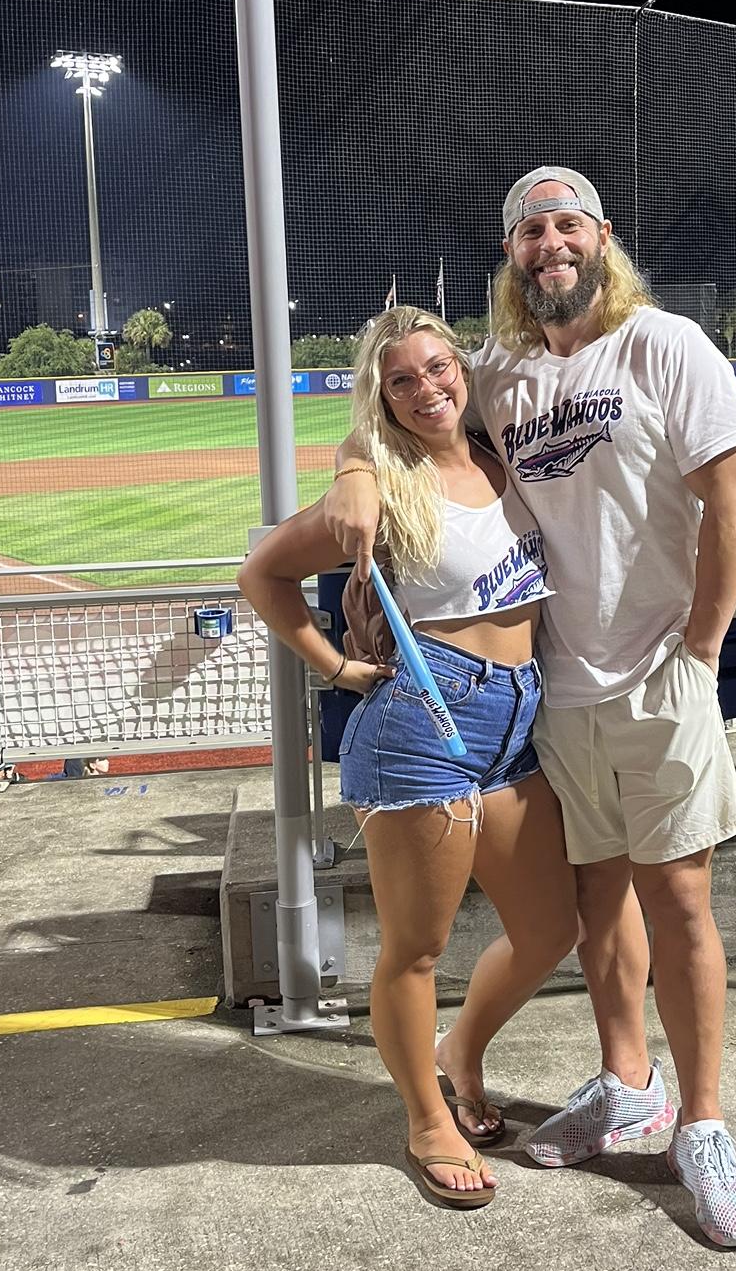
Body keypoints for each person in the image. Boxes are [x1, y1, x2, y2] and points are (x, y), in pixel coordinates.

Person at [325, 168, 736, 1247]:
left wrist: (701, 646)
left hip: (660, 674)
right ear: (513, 254)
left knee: (681, 904)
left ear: (602, 239)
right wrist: (346, 468)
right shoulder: (503, 370)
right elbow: (399, 399)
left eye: (567, 225)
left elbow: (735, 495)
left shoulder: (666, 344)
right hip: (553, 688)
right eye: (531, 231)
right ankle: (627, 1082)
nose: (549, 245)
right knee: (599, 907)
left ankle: (701, 1124)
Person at [237, 306, 577, 1211]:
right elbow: (261, 571)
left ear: (462, 370)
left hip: (513, 722)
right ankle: (426, 1119)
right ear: (380, 397)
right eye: (402, 380)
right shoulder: (382, 482)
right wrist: (341, 669)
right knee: (416, 950)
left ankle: (459, 1051)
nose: (428, 388)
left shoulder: (499, 461)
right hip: (423, 725)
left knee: (551, 931)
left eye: (439, 368)